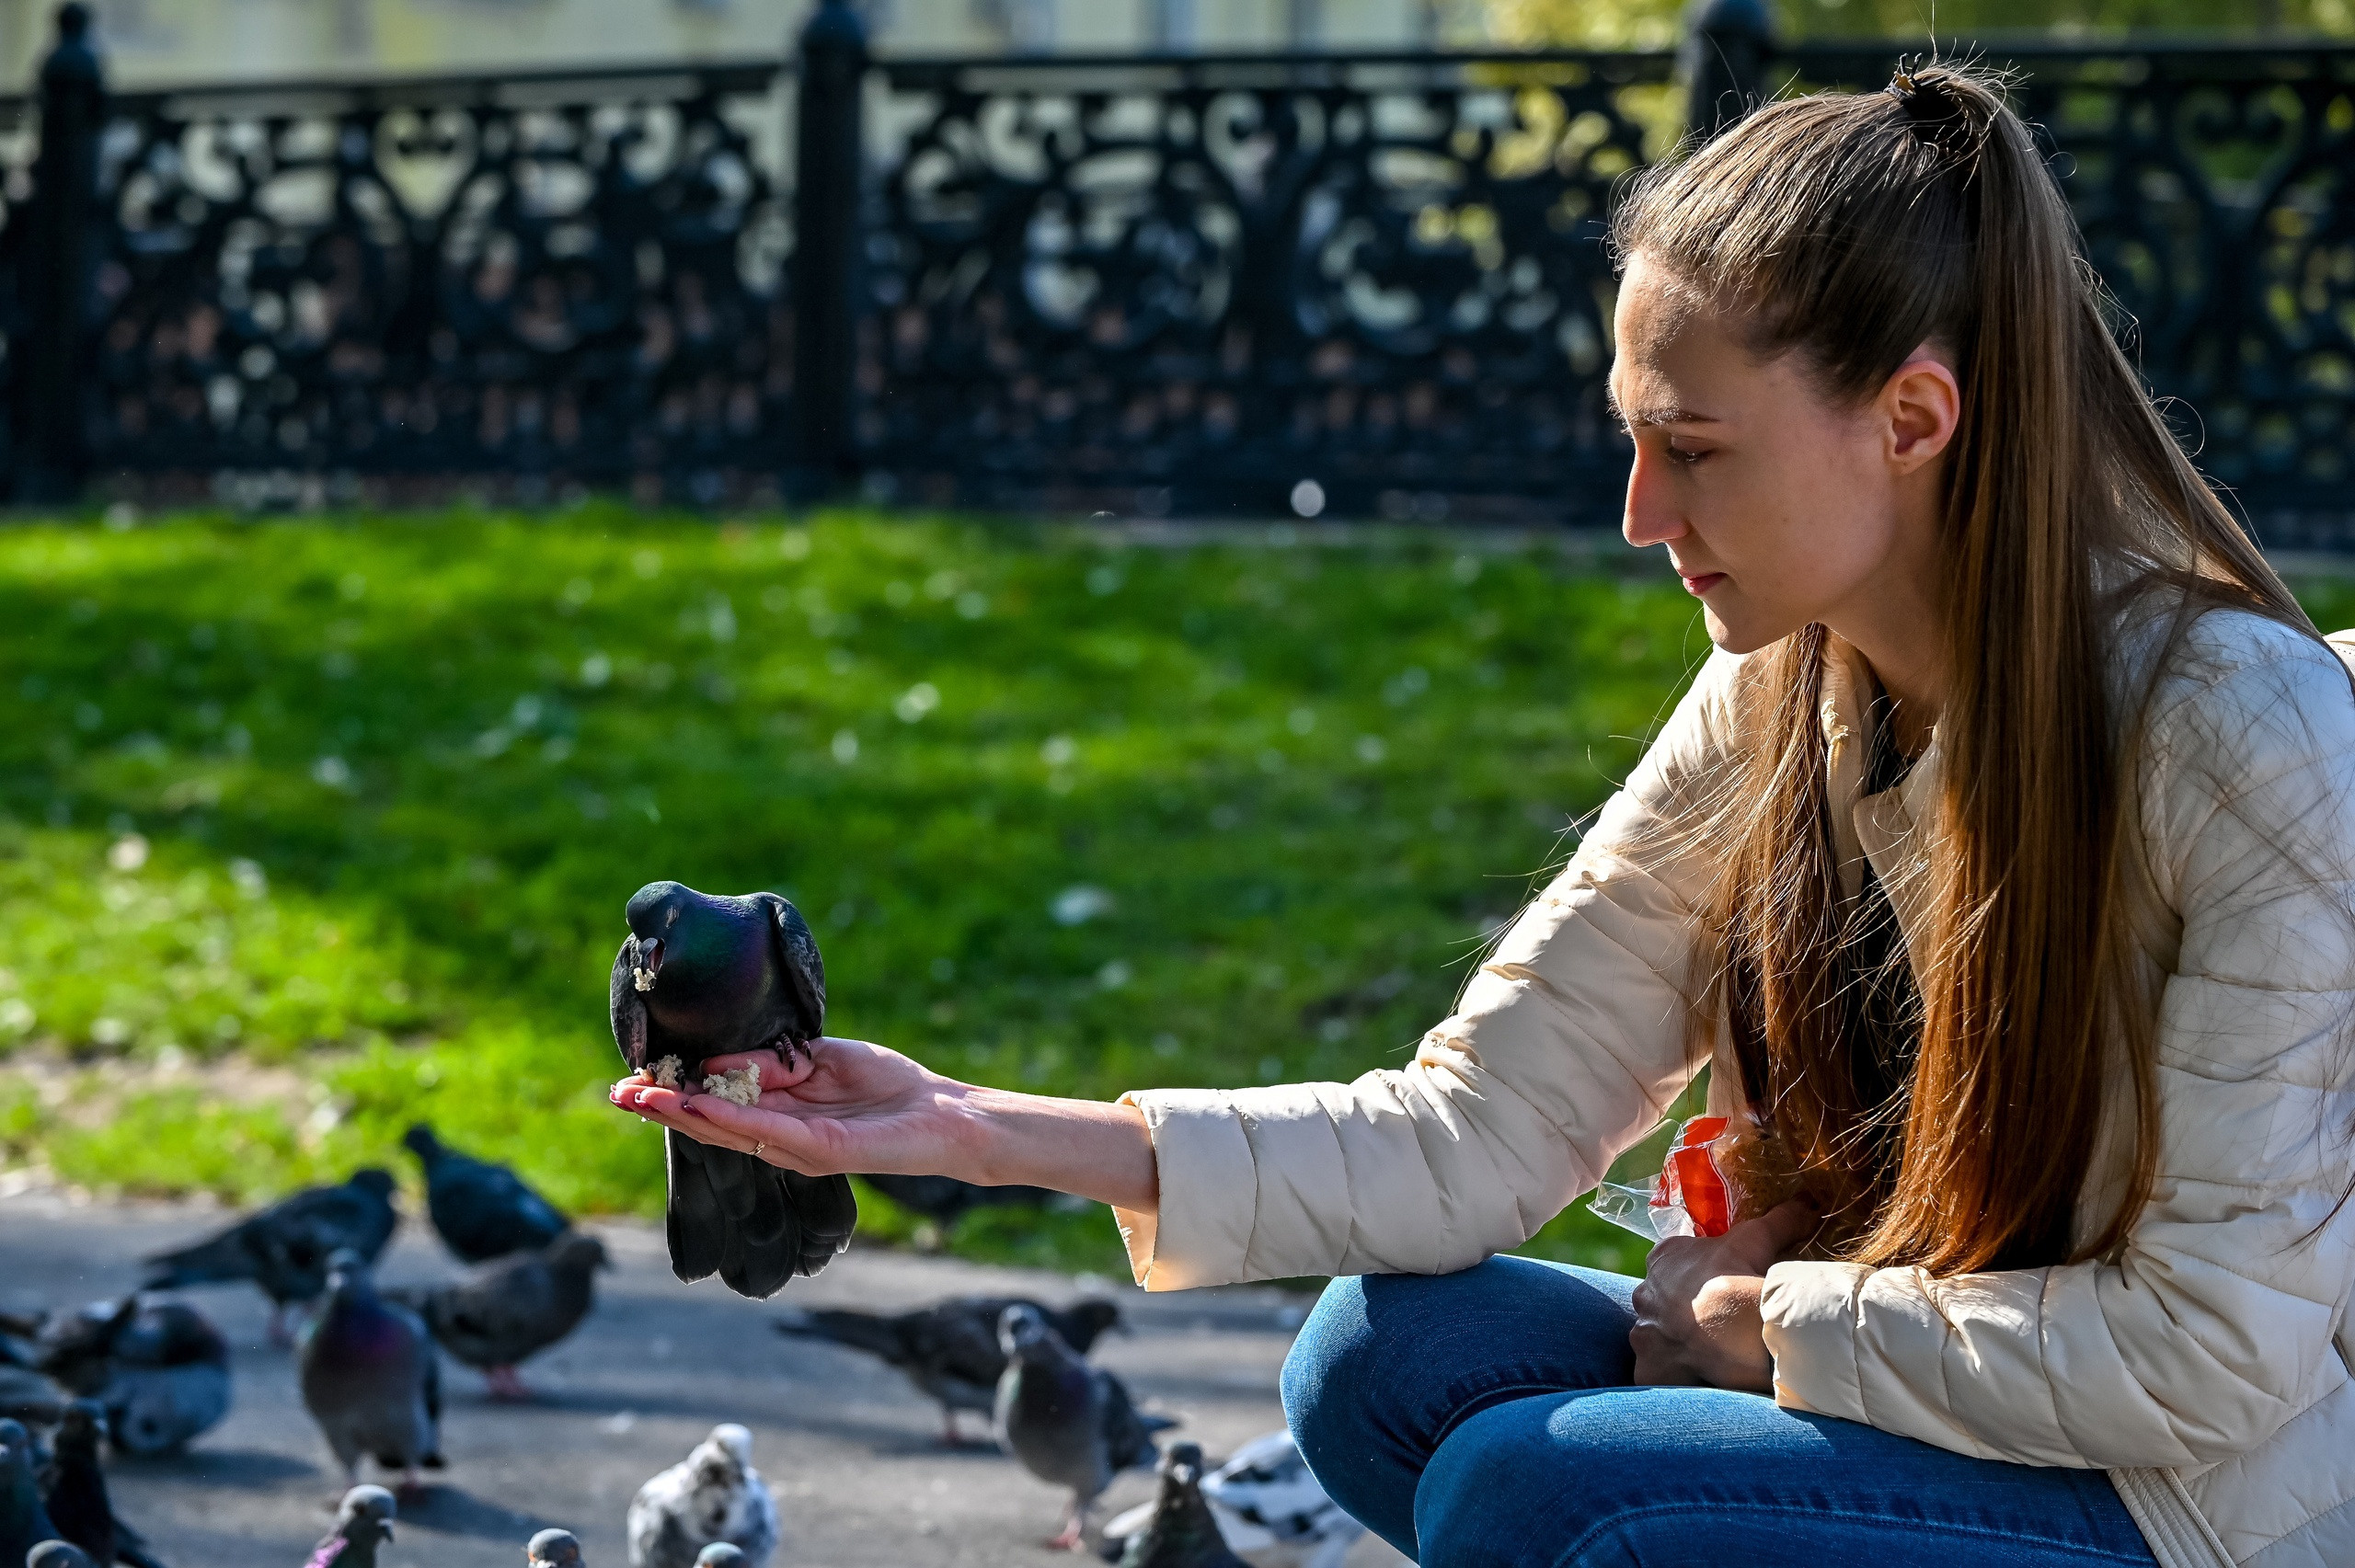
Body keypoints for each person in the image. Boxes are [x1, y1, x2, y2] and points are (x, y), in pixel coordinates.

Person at [610, 65, 2355, 1568]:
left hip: (2180, 1504)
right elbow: (1470, 1130)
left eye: (1696, 446)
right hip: (1928, 1387)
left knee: (1541, 1490)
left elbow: (2211, 1352)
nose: (1636, 509)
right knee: (1380, 1355)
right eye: (1631, 438)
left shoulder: (2239, 732)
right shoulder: (1780, 680)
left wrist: (1773, 1328)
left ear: (1912, 418)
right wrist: (969, 1128)